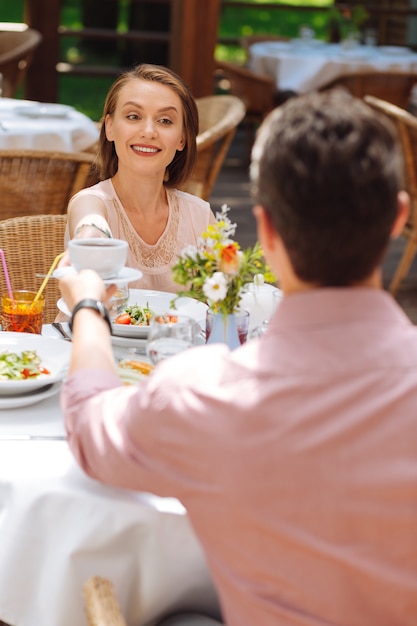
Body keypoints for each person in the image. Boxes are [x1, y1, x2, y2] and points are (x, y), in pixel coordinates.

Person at [59, 89, 417, 626]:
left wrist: (87, 306)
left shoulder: (203, 394)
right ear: (397, 218)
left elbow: (88, 424)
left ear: (265, 231)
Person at [63, 63, 215, 293]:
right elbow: (90, 224)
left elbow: (223, 305)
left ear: (182, 138)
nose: (148, 131)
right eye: (133, 116)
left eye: (165, 121)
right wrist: (91, 238)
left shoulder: (200, 217)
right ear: (110, 128)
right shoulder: (91, 202)